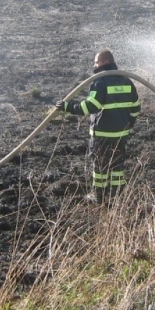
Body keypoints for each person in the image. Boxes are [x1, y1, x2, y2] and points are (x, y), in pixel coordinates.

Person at [55, 50, 141, 204]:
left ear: (105, 62)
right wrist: (129, 124)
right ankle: (117, 197)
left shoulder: (100, 82)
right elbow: (136, 107)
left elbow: (90, 107)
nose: (94, 65)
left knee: (100, 166)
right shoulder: (127, 81)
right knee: (117, 165)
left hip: (102, 134)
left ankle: (99, 196)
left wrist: (68, 106)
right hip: (121, 134)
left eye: (96, 62)